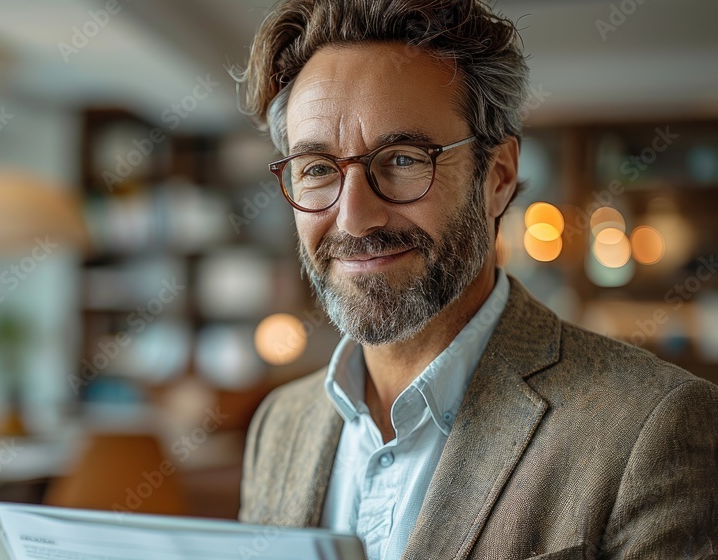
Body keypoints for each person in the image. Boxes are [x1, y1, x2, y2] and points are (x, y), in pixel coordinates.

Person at [231, 0, 718, 558]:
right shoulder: (279, 424)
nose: (354, 218)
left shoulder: (653, 429)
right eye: (317, 169)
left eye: (404, 159)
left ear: (499, 177)